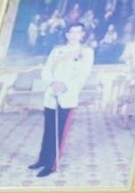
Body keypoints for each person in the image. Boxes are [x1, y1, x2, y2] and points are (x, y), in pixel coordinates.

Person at [30, 22, 94, 178]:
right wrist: (52, 83)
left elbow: (84, 74)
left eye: (78, 32)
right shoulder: (57, 50)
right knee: (48, 130)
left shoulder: (86, 52)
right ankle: (42, 159)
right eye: (71, 32)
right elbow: (46, 70)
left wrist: (65, 86)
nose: (74, 35)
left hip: (67, 96)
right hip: (51, 94)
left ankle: (51, 165)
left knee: (60, 131)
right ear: (66, 34)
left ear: (82, 35)